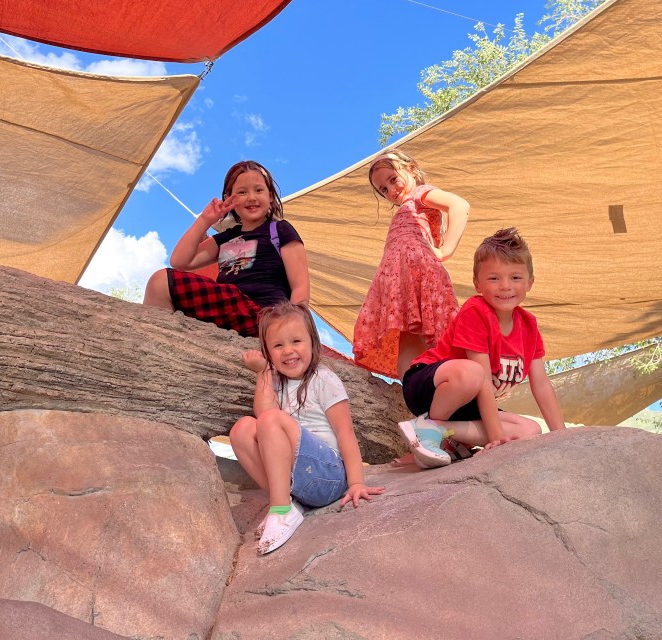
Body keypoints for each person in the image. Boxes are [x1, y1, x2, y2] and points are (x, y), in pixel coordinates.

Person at [396, 227, 566, 468]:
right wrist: (497, 438)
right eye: (494, 278)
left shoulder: (528, 325)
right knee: (473, 374)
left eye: (515, 277)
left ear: (530, 283)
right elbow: (482, 379)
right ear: (477, 283)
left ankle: (435, 432)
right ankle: (433, 432)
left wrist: (562, 436)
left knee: (530, 429)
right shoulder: (477, 311)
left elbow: (541, 384)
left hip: (469, 403)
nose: (505, 286)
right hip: (431, 386)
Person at [231, 302, 384, 555]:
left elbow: (345, 432)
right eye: (278, 346)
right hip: (298, 480)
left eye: (296, 341)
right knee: (243, 428)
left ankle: (279, 510)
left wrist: (356, 482)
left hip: (328, 476)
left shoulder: (323, 379)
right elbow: (263, 413)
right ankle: (286, 505)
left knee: (270, 419)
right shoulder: (276, 381)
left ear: (313, 343)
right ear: (268, 353)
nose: (288, 351)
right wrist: (264, 373)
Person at [143, 160, 309, 336]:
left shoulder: (280, 229)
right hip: (227, 309)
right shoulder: (226, 238)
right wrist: (205, 220)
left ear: (270, 196)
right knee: (159, 282)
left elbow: (300, 285)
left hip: (267, 315)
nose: (251, 197)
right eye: (242, 192)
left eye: (259, 190)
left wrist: (292, 329)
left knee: (164, 280)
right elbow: (180, 261)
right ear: (229, 199)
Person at [353, 150, 470, 380]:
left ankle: (440, 388)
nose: (390, 190)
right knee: (405, 333)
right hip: (399, 279)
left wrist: (446, 250)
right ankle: (414, 392)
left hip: (418, 273)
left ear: (412, 170)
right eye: (383, 190)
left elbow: (459, 205)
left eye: (393, 179)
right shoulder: (407, 206)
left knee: (431, 337)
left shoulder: (420, 194)